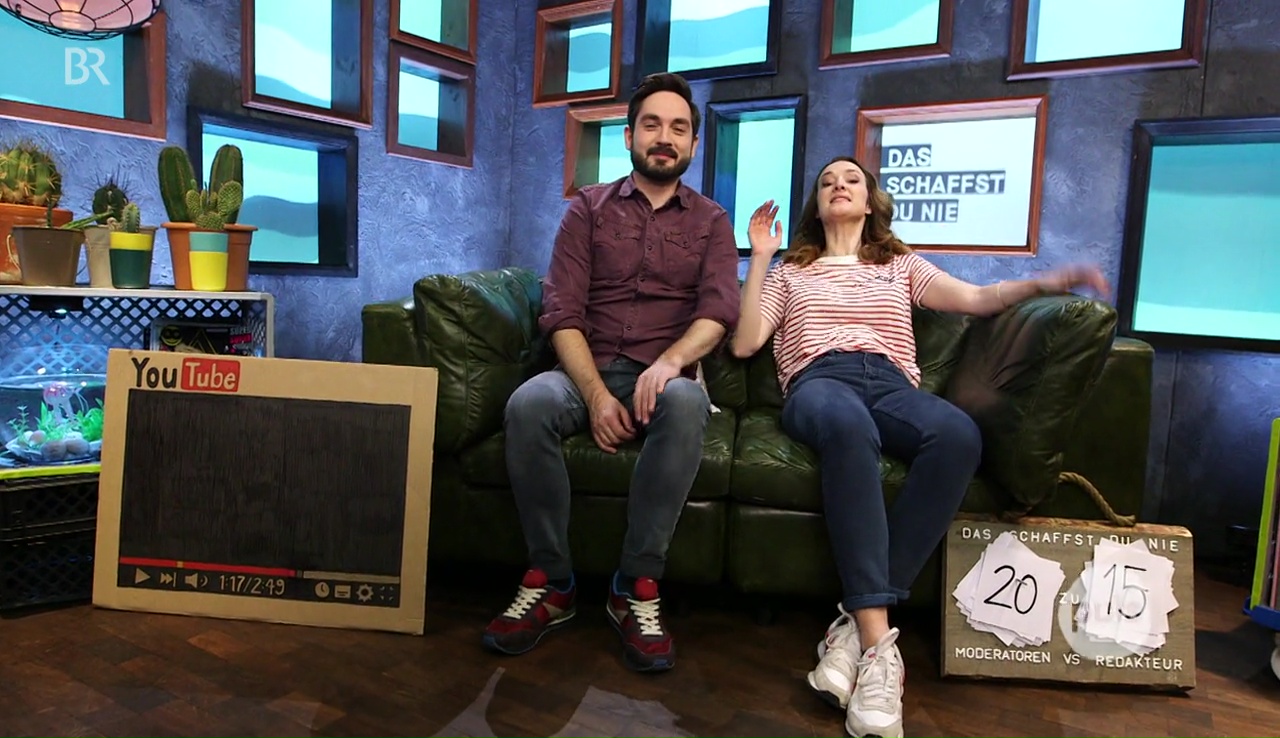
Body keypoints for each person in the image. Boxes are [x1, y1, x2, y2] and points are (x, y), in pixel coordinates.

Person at [730, 156, 1109, 738]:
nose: (838, 186)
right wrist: (760, 256)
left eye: (851, 180)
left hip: (890, 383)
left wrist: (1046, 283)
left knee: (958, 436)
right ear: (816, 205)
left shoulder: (899, 264)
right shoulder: (790, 272)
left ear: (870, 202)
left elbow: (977, 299)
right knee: (849, 427)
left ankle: (852, 630)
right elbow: (745, 343)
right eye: (827, 182)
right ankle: (879, 644)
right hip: (818, 381)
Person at [482, 73, 740, 673]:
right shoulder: (587, 210)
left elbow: (719, 312)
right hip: (585, 367)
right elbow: (561, 312)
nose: (664, 137)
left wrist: (671, 362)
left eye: (678, 128)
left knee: (686, 403)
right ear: (628, 136)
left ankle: (635, 586)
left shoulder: (712, 221)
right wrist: (596, 396)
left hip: (663, 375)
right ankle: (553, 580)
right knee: (528, 404)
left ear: (693, 143)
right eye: (652, 124)